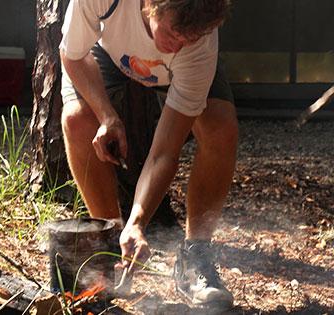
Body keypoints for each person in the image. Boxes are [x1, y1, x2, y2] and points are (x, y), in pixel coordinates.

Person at [59, 0, 237, 309]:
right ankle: (109, 245)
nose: (176, 46)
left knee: (221, 128)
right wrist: (107, 116)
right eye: (173, 32)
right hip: (108, 52)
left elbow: (164, 153)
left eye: (188, 39)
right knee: (76, 119)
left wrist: (138, 222)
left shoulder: (198, 42)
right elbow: (72, 55)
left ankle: (196, 256)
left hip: (179, 75)